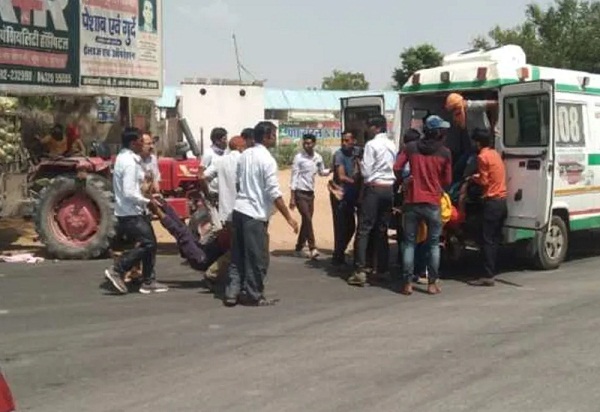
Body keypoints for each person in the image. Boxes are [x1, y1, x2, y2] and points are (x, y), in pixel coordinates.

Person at [224, 121, 299, 307]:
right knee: (257, 257)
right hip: (255, 215)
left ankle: (232, 291)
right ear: (266, 137)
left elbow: (238, 183)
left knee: (238, 255)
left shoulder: (245, 155)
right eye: (273, 135)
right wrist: (289, 217)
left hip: (239, 210)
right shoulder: (267, 160)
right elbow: (274, 192)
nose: (275, 138)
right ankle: (253, 294)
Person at [104, 127, 168, 295]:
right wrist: (148, 201)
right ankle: (118, 269)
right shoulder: (129, 163)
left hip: (134, 211)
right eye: (141, 141)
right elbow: (129, 192)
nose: (145, 144)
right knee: (148, 243)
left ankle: (148, 280)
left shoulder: (126, 158)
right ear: (133, 143)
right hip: (131, 212)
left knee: (150, 243)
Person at [394, 115, 452, 296]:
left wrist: (404, 180)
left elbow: (397, 167)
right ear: (438, 133)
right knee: (433, 244)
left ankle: (407, 284)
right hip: (433, 202)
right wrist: (437, 184)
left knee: (409, 243)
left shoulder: (411, 147)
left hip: (412, 201)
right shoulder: (444, 152)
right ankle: (432, 284)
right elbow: (448, 180)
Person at [347, 115, 396, 287]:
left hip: (374, 188)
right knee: (382, 230)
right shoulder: (392, 144)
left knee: (364, 229)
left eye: (369, 126)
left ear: (376, 127)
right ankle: (382, 269)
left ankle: (360, 270)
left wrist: (359, 164)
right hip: (388, 188)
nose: (367, 130)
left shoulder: (371, 145)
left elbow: (367, 172)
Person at [199, 135, 246, 287]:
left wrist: (208, 194)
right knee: (239, 247)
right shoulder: (243, 160)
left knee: (235, 245)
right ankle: (213, 273)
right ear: (240, 147)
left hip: (225, 211)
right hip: (241, 210)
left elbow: (202, 177)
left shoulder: (221, 161)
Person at [466, 128, 507, 287]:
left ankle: (487, 275)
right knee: (494, 239)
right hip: (502, 202)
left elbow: (484, 181)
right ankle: (492, 270)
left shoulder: (482, 157)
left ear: (478, 143)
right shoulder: (495, 154)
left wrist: (472, 178)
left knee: (486, 240)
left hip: (491, 202)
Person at [290, 133, 330, 259]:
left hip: (310, 193)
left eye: (309, 143)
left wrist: (332, 169)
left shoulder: (318, 157)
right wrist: (292, 197)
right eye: (305, 143)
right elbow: (294, 177)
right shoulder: (299, 158)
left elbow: (321, 172)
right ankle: (312, 247)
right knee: (307, 218)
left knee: (306, 221)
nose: (306, 145)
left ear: (314, 144)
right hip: (299, 192)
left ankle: (298, 247)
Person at [330, 130, 360, 266]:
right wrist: (355, 181)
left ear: (354, 141)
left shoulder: (358, 152)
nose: (344, 143)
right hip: (340, 194)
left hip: (352, 194)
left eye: (347, 141)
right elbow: (341, 176)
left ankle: (340, 253)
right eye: (342, 141)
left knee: (351, 226)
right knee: (342, 227)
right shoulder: (339, 155)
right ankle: (338, 255)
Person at [201, 127, 228, 202]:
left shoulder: (226, 154)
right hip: (213, 193)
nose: (226, 142)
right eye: (224, 139)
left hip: (223, 193)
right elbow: (200, 175)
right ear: (217, 141)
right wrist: (207, 193)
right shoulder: (208, 153)